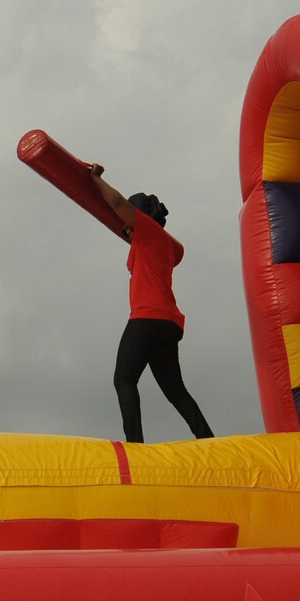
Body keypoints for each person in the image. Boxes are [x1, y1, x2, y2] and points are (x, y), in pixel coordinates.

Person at [86, 162, 214, 443]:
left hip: (147, 318)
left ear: (140, 216)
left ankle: (135, 447)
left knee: (124, 379)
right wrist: (133, 235)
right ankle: (207, 439)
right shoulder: (165, 244)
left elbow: (117, 202)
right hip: (168, 323)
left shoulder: (147, 230)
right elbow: (178, 251)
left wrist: (94, 179)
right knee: (175, 390)